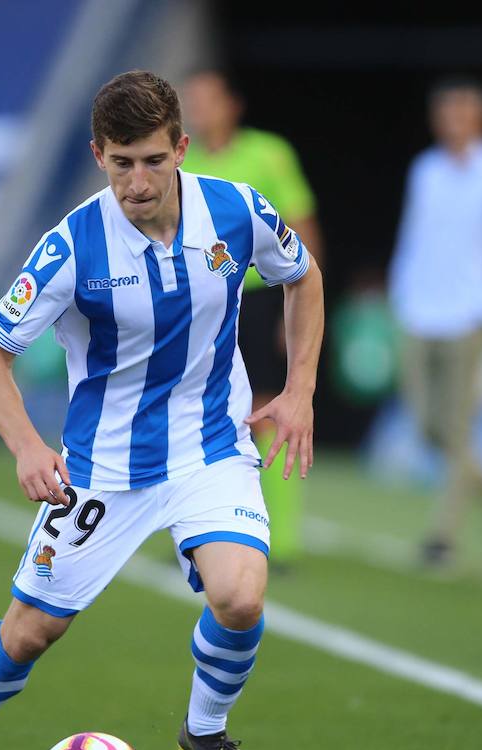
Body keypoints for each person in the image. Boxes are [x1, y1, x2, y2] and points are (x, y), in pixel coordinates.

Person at [0, 70, 323, 750]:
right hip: (102, 469)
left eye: (153, 160)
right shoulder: (70, 247)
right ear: (99, 155)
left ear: (182, 149)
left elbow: (304, 277)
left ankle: (206, 730)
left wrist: (301, 389)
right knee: (29, 632)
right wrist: (29, 448)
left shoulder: (236, 211)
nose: (138, 181)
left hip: (210, 447)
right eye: (121, 163)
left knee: (240, 595)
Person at [387, 77, 482, 569]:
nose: (452, 122)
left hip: (466, 319)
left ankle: (442, 537)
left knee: (457, 427)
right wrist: (401, 291)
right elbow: (413, 236)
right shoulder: (426, 169)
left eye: (461, 113)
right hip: (419, 313)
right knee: (428, 427)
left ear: (481, 120)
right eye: (445, 113)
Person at [180, 68, 321, 568]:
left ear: (232, 104)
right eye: (192, 101)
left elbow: (301, 228)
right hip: (204, 305)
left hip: (259, 300)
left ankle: (281, 540)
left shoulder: (268, 154)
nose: (200, 110)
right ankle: (198, 534)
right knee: (198, 414)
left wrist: (294, 312)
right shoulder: (183, 160)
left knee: (264, 412)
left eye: (209, 99)